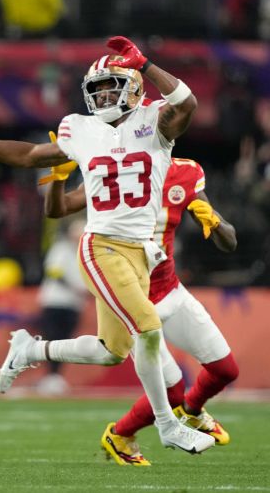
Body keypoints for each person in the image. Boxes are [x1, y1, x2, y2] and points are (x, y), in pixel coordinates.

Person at [0, 36, 215, 455]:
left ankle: (31, 348)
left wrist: (147, 63)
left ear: (134, 86)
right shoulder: (81, 129)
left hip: (141, 253)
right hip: (102, 245)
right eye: (96, 88)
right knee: (149, 331)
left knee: (112, 351)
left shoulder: (154, 121)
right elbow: (31, 155)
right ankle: (167, 424)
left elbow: (188, 103)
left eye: (111, 85)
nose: (102, 94)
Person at [44, 155, 238, 465]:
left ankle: (191, 411)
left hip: (170, 289)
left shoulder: (186, 172)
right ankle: (120, 434)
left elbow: (229, 243)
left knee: (226, 370)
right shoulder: (112, 169)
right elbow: (60, 208)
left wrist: (215, 222)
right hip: (134, 297)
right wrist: (57, 179)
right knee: (169, 391)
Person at [34, 214, 88, 394]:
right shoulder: (61, 249)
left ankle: (56, 376)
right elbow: (54, 272)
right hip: (55, 301)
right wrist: (75, 287)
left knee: (65, 340)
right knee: (52, 337)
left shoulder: (84, 253)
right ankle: (49, 376)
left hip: (74, 304)